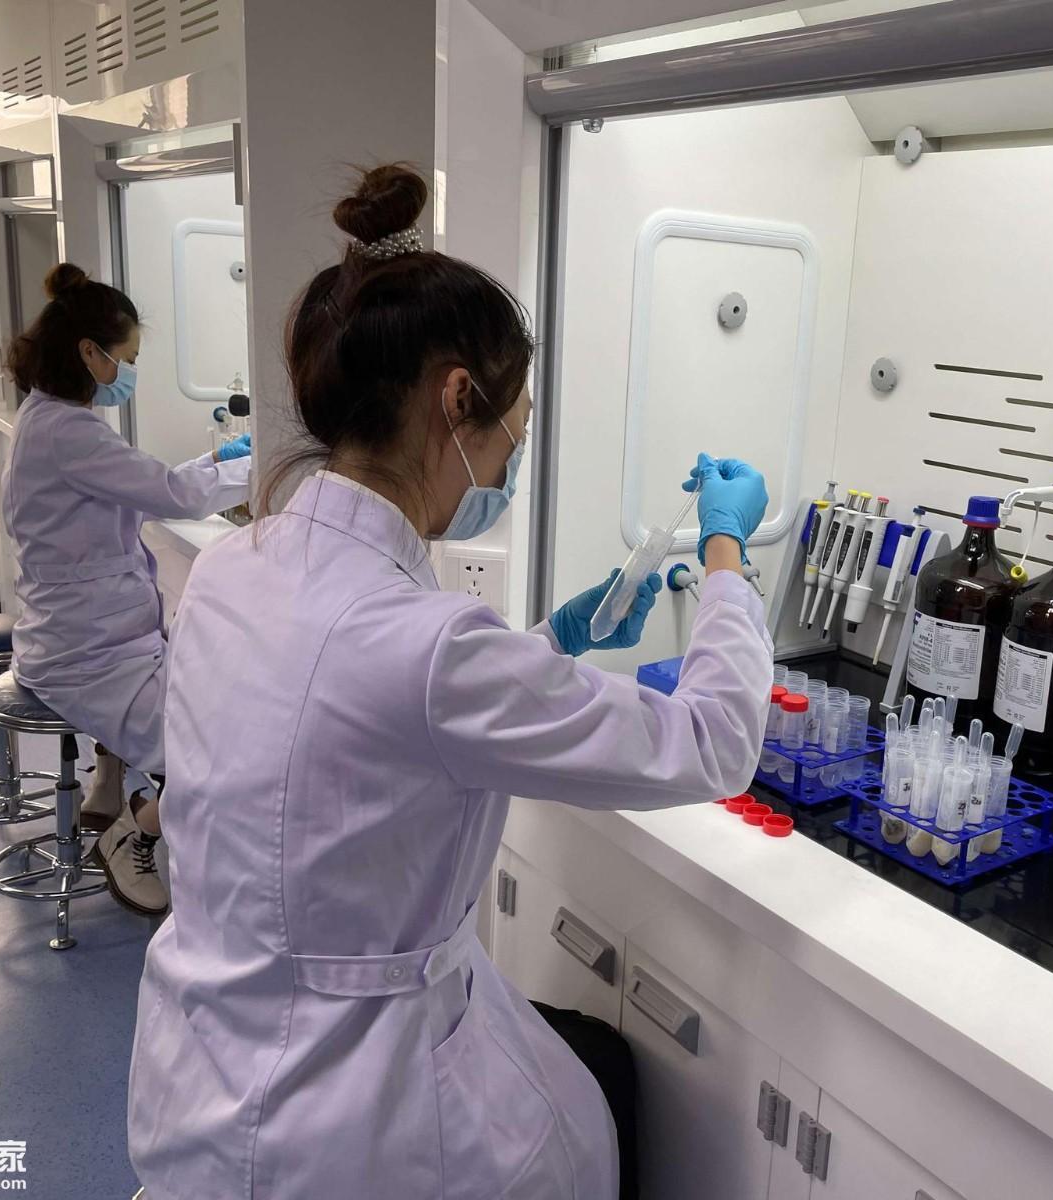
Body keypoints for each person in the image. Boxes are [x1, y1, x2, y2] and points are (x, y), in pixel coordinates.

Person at [126, 164, 772, 1200]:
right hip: (346, 1112)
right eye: (514, 431)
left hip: (199, 1059)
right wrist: (730, 556)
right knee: (588, 1120)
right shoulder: (425, 646)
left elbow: (355, 718)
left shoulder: (235, 568)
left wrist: (552, 642)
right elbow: (712, 742)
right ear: (458, 399)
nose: (510, 464)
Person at [2, 264, 252, 915]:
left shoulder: (52, 417)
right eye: (129, 358)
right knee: (209, 745)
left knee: (210, 702)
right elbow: (171, 494)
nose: (130, 372)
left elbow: (145, 482)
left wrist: (222, 459)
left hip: (90, 637)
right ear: (90, 352)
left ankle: (110, 777)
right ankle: (132, 834)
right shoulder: (67, 431)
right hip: (86, 653)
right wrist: (263, 464)